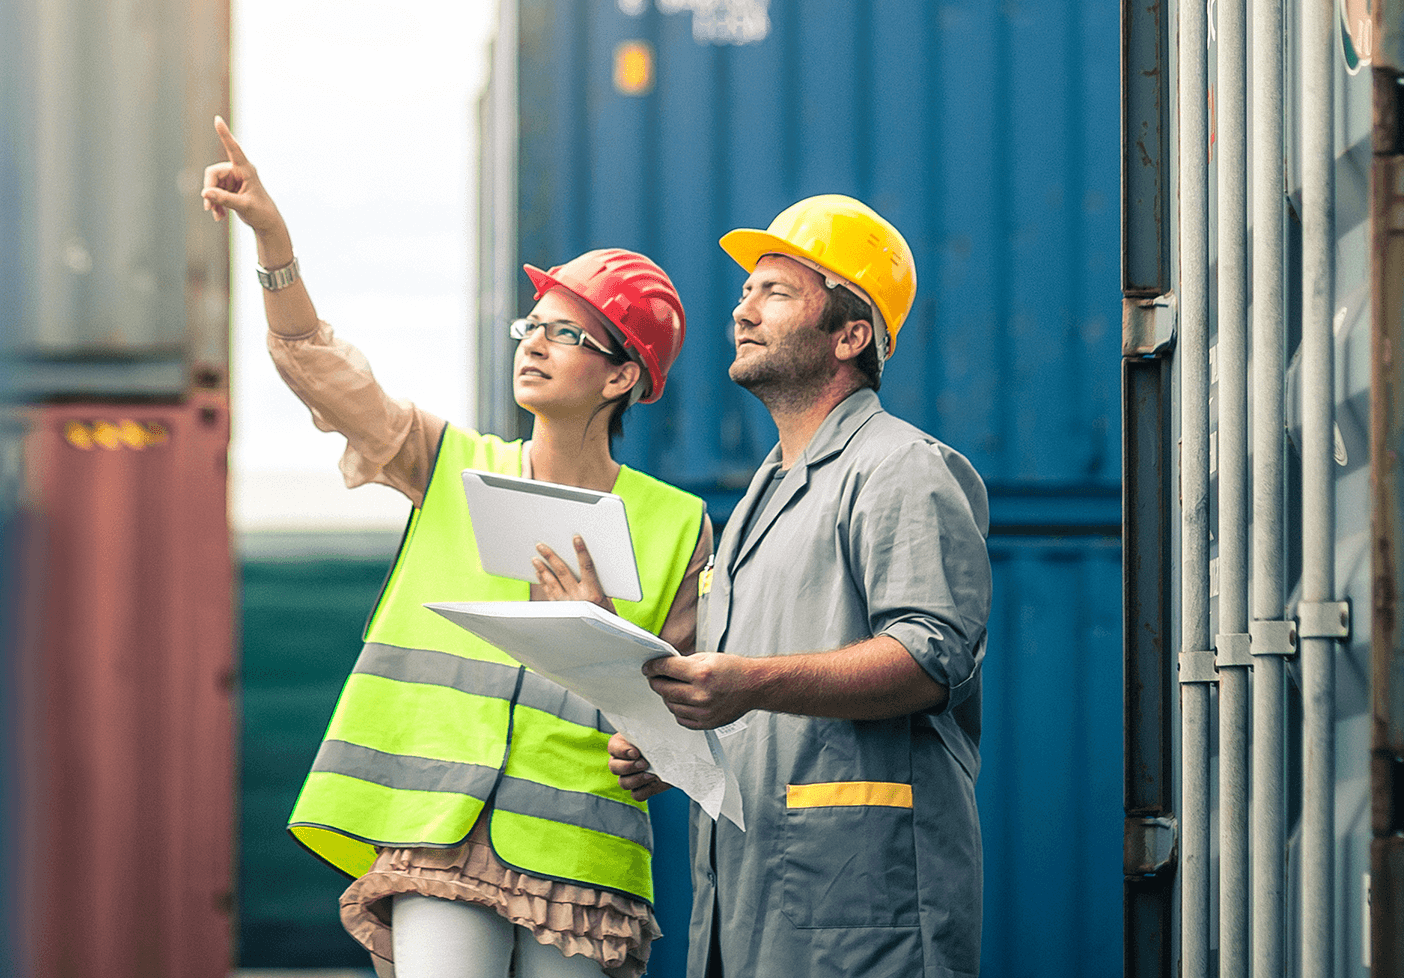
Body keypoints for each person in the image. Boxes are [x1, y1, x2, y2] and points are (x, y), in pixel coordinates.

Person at [201, 117, 713, 978]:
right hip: (436, 831)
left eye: (568, 335)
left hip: (579, 857)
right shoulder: (447, 465)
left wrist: (614, 669)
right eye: (533, 327)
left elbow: (681, 730)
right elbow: (319, 368)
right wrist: (274, 241)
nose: (537, 345)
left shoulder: (677, 527)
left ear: (623, 376)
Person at [607, 195, 991, 978]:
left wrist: (750, 683)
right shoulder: (758, 499)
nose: (743, 310)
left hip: (860, 916)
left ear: (850, 335)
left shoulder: (901, 468)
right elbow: (755, 701)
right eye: (746, 291)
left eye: (775, 291)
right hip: (748, 914)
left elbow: (932, 659)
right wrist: (677, 748)